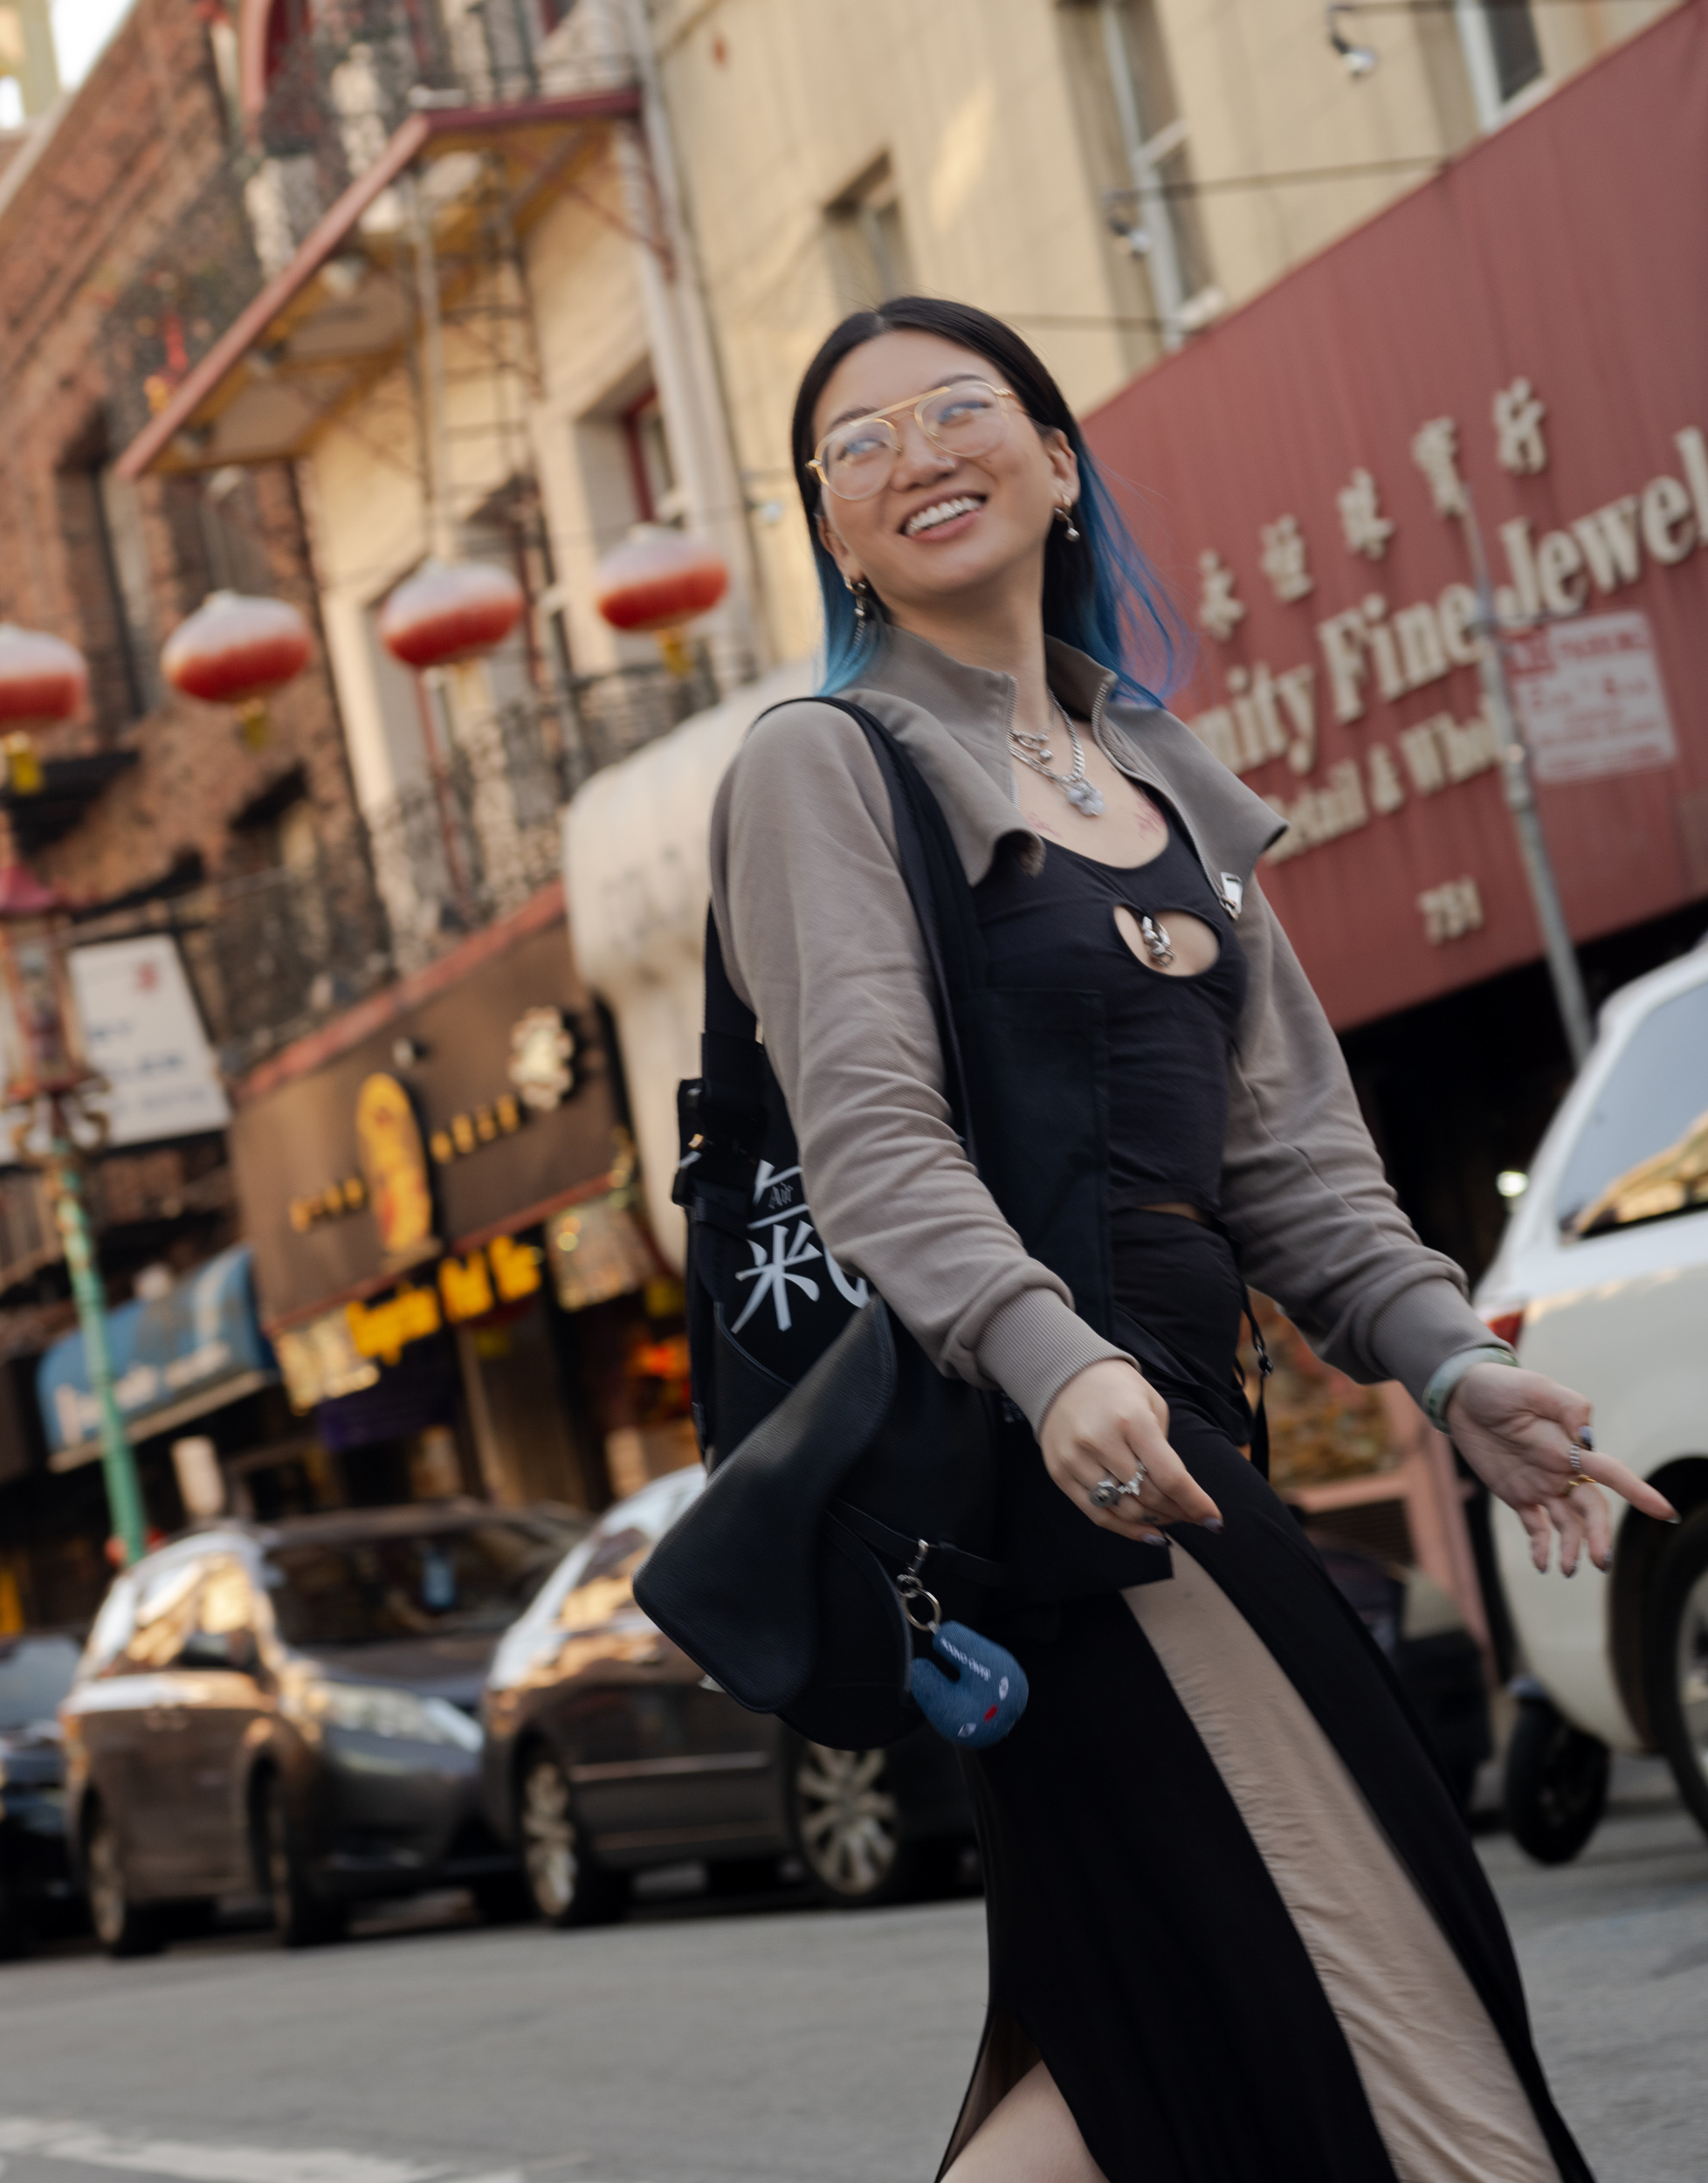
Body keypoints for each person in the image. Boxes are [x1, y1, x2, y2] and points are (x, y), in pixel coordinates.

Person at [713, 298, 1673, 2183]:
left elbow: (1298, 1165)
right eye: (858, 443)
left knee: (1146, 2036)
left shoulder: (1166, 784)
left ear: (1060, 462)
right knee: (1397, 1993)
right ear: (830, 529)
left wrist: (1455, 1364)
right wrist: (1051, 1355)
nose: (916, 454)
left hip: (1181, 1440)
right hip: (1045, 1470)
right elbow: (874, 1141)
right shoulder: (827, 767)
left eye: (961, 409)